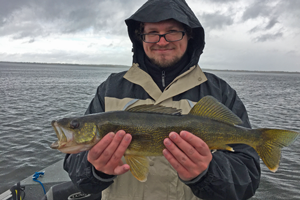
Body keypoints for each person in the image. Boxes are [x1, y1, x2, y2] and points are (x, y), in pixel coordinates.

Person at [63, 0, 261, 199]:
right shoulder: (110, 88)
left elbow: (247, 182)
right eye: (152, 33)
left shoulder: (220, 92)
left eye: (172, 31)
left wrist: (206, 173)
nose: (162, 41)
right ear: (140, 37)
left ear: (190, 34)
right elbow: (77, 172)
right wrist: (96, 170)